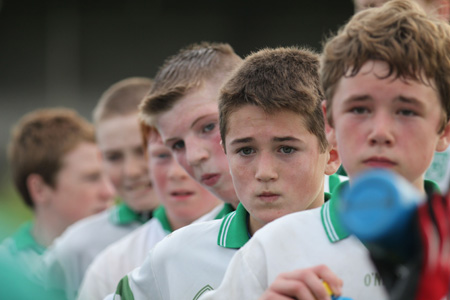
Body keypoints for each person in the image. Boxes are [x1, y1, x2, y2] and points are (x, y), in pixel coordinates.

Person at [199, 1, 450, 299]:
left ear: (444, 130)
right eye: (359, 109)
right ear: (329, 123)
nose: (380, 132)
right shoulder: (271, 248)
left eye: (406, 111)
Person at [112, 45, 341, 300]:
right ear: (228, 149)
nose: (264, 172)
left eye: (286, 149)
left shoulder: (376, 248)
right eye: (245, 151)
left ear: (332, 155)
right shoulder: (176, 255)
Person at [41, 77, 160, 300]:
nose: (131, 171)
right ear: (100, 159)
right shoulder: (74, 248)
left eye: (142, 151)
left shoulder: (226, 223)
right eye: (114, 157)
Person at [76, 125, 222, 299]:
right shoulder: (110, 265)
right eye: (162, 155)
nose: (176, 173)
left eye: (197, 152)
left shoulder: (258, 237)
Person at [0, 108, 114, 293]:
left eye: (108, 176)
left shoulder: (126, 251)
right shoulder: (8, 272)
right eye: (91, 178)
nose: (109, 192)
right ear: (39, 189)